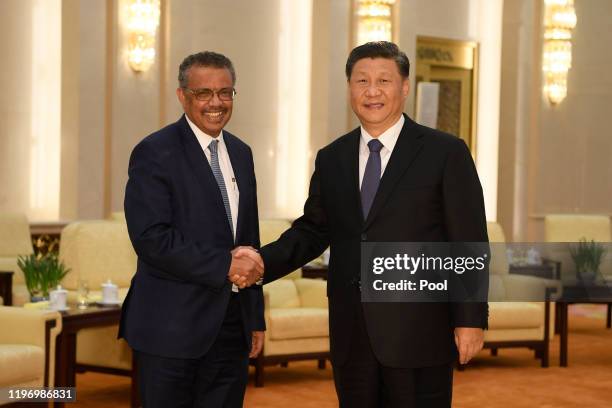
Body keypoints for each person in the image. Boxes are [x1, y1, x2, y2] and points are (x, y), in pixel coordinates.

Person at [237, 41, 488, 407]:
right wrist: (261, 262)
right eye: (361, 81)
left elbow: (468, 241)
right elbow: (312, 230)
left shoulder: (445, 152)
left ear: (404, 87)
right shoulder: (332, 157)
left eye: (384, 80)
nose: (372, 91)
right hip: (352, 333)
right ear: (350, 88)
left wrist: (470, 319)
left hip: (419, 332)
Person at [119, 51, 265, 408]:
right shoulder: (154, 152)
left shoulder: (241, 153)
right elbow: (152, 238)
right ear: (182, 96)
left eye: (225, 92)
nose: (216, 103)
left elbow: (249, 240)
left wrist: (255, 317)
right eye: (204, 93)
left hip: (231, 328)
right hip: (171, 329)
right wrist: (225, 266)